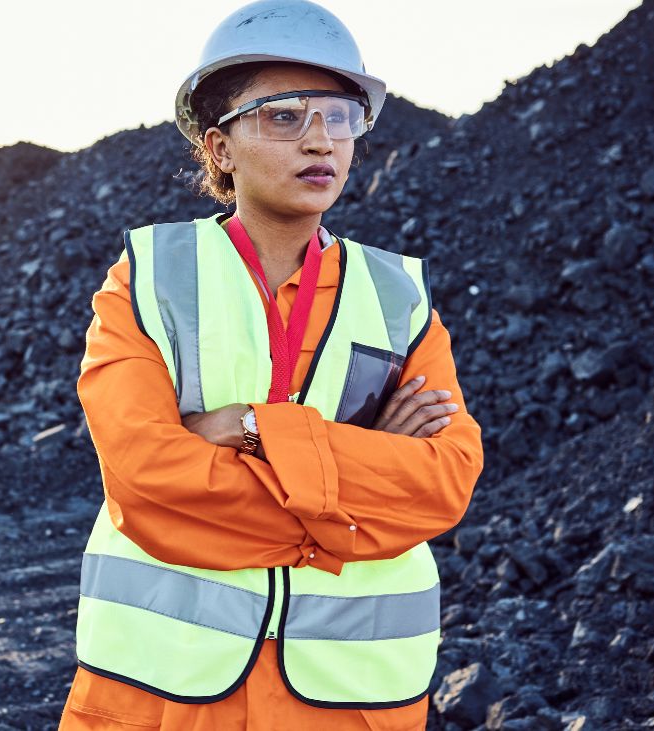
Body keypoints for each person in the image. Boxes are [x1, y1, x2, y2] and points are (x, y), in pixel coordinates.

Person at [57, 1, 484, 729]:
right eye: (284, 116)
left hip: (350, 699)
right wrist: (359, 479)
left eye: (339, 116)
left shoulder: (397, 299)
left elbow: (441, 484)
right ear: (220, 148)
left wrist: (251, 428)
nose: (320, 139)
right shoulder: (151, 280)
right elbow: (145, 476)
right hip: (165, 692)